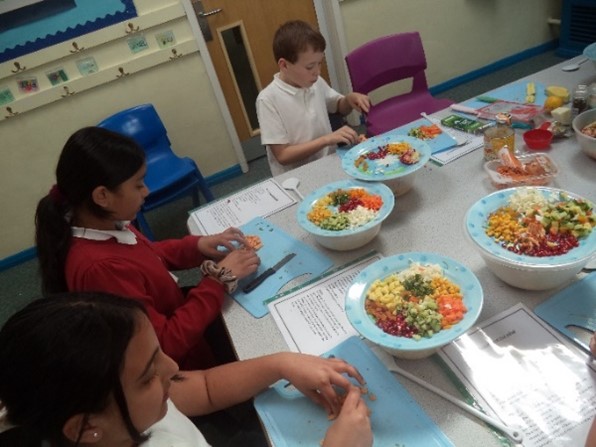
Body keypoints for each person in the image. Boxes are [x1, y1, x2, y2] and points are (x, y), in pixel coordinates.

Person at [0, 292, 373, 447]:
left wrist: (282, 363)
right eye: (148, 375)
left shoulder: (127, 404)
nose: (173, 367)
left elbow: (206, 387)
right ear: (86, 428)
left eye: (159, 354)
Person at [34, 126, 261, 370]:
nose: (146, 191)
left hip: (181, 315)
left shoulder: (105, 220)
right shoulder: (100, 269)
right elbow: (165, 345)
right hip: (180, 367)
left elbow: (148, 254)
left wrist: (197, 246)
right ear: (102, 196)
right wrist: (218, 279)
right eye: (138, 185)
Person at [256, 20, 370, 176]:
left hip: (329, 162)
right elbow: (282, 155)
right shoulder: (268, 99)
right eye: (310, 67)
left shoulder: (315, 82)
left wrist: (349, 100)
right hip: (297, 176)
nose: (317, 72)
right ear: (284, 65)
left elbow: (337, 106)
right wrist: (326, 139)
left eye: (319, 64)